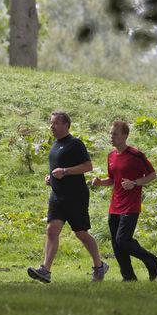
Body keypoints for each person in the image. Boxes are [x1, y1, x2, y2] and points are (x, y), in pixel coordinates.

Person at [27, 112, 109, 283]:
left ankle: (99, 266)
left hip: (75, 197)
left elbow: (88, 166)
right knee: (51, 230)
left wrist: (65, 172)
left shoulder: (75, 144)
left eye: (55, 123)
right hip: (57, 197)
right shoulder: (55, 145)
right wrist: (50, 178)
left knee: (81, 234)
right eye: (51, 123)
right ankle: (45, 270)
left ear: (66, 125)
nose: (51, 127)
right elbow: (57, 169)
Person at [91, 120, 157, 281]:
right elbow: (113, 179)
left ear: (125, 136)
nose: (111, 137)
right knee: (116, 244)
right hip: (114, 206)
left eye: (115, 134)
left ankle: (150, 259)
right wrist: (101, 182)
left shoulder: (136, 155)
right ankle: (128, 277)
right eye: (110, 133)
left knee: (123, 240)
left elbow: (152, 175)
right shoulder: (111, 156)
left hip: (131, 205)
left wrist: (134, 183)